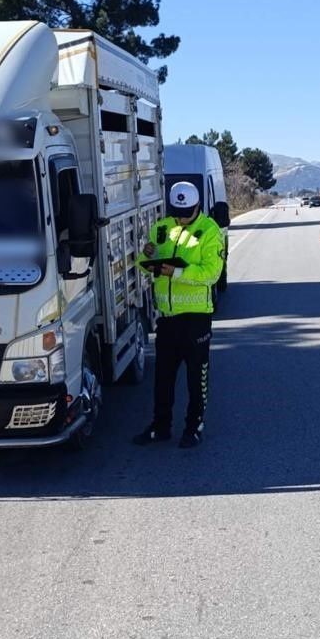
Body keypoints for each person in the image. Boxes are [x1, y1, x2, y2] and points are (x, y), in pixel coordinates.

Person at [133, 181, 225, 449]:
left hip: (196, 319)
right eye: (177, 213)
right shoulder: (162, 228)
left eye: (186, 213)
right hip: (167, 318)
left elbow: (212, 273)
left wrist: (178, 272)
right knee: (163, 378)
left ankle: (194, 427)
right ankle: (160, 427)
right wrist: (146, 255)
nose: (181, 218)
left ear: (197, 206)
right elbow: (145, 264)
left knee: (197, 378)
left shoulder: (210, 231)